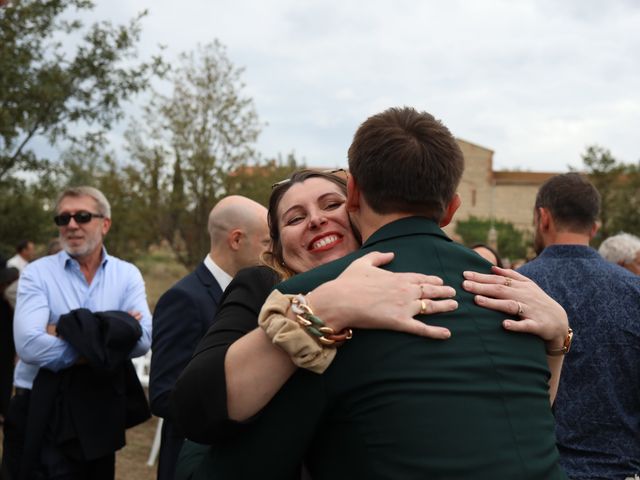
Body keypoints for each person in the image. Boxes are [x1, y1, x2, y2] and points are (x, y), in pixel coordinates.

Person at [174, 108, 569, 479]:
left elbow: (515, 418)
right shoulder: (292, 298)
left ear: (355, 197)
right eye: (294, 218)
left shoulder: (515, 297)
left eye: (331, 203)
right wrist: (319, 309)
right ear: (451, 209)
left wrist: (559, 337)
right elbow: (199, 414)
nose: (316, 220)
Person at [2, 186, 153, 480]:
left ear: (105, 223)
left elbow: (143, 339)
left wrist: (63, 330)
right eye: (63, 218)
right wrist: (111, 333)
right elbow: (30, 345)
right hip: (39, 409)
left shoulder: (126, 275)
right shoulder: (37, 273)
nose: (71, 224)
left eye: (82, 216)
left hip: (98, 410)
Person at [518, 173, 640, 479]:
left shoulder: (514, 288)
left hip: (537, 468)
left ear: (542, 218)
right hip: (622, 469)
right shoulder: (634, 292)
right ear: (595, 227)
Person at [149, 195, 270, 480]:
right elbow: (164, 394)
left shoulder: (253, 296)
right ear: (236, 240)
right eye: (266, 242)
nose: (273, 250)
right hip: (194, 459)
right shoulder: (183, 299)